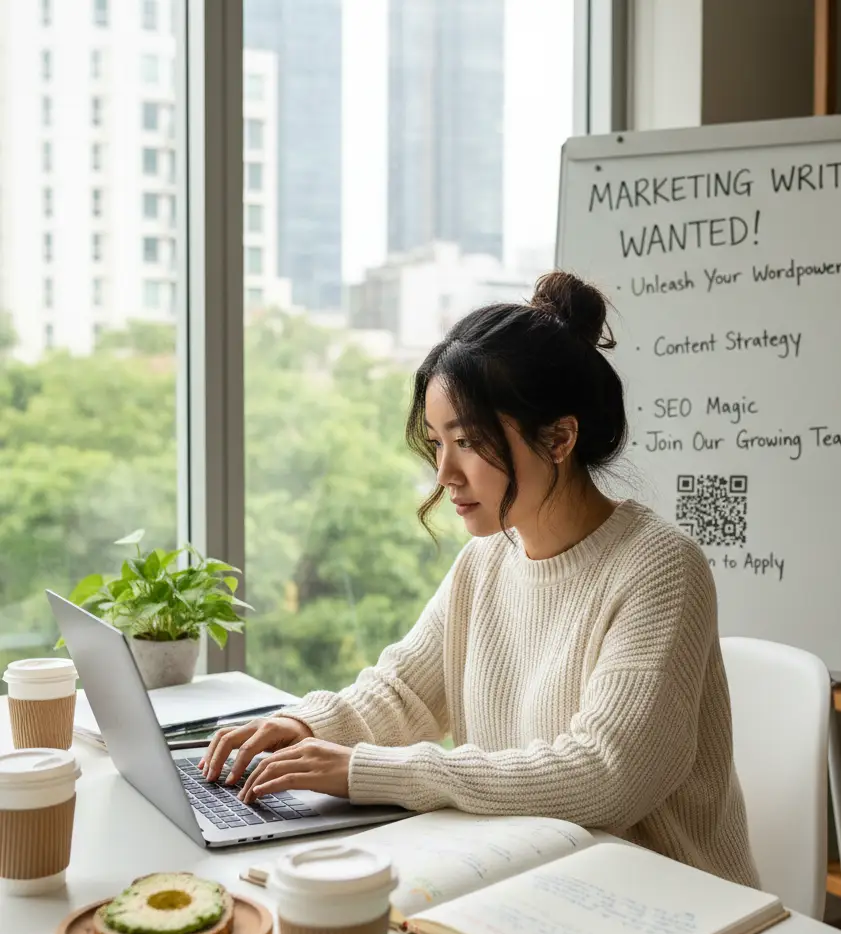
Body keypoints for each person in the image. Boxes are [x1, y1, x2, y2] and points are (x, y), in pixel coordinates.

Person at [199, 270, 760, 889]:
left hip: (671, 905)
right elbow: (403, 694)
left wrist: (367, 771)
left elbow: (608, 775)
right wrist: (308, 728)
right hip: (532, 878)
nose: (444, 474)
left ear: (560, 438)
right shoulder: (488, 559)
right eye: (437, 442)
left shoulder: (659, 568)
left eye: (466, 441)